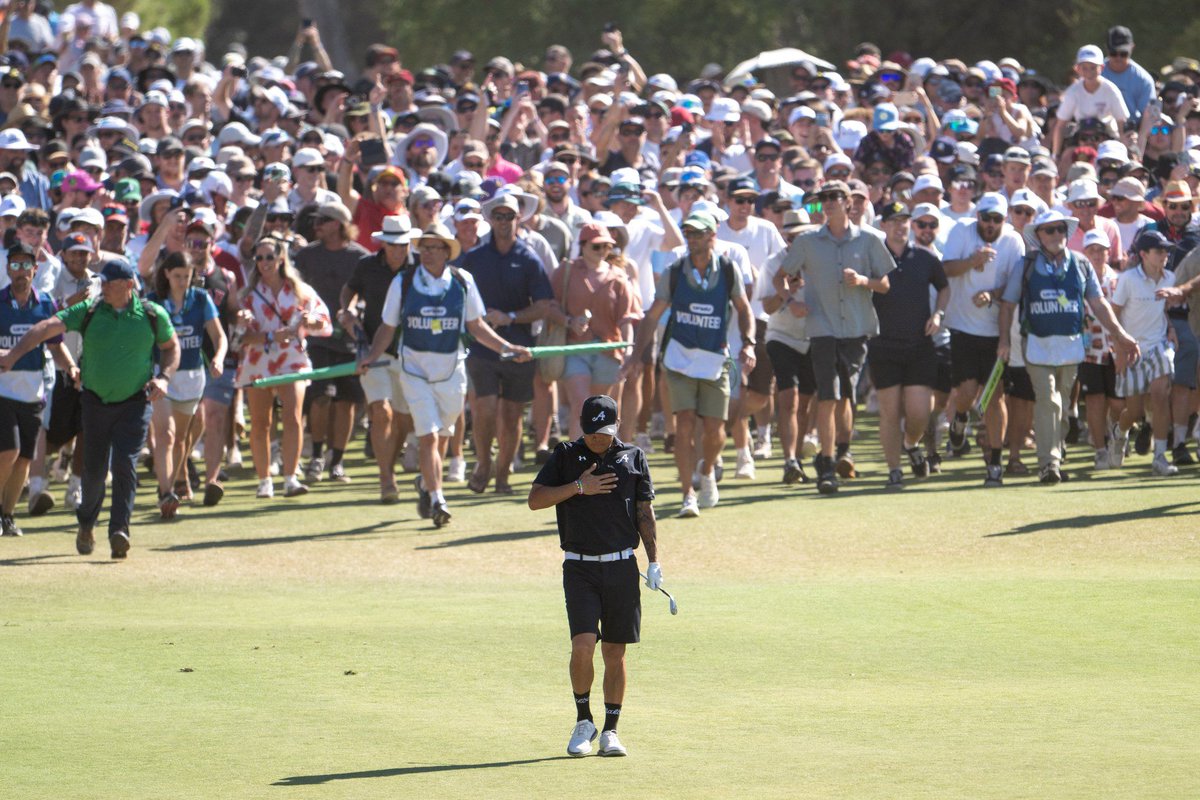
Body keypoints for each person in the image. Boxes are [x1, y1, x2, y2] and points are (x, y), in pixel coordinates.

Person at [0, 257, 179, 560]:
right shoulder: (90, 310)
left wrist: (164, 377)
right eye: (102, 282)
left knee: (124, 465)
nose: (102, 287)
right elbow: (45, 327)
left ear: (129, 285)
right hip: (95, 403)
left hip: (135, 403)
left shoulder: (151, 314)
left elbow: (171, 346)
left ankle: (119, 531)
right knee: (94, 472)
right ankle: (86, 523)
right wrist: (13, 355)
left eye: (109, 282)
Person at [359, 223, 532, 526]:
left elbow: (476, 326)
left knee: (441, 436)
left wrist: (507, 348)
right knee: (427, 436)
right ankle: (438, 499)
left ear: (446, 252)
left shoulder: (463, 281)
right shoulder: (403, 281)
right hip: (414, 371)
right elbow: (388, 326)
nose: (427, 253)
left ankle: (427, 484)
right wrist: (371, 357)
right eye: (424, 247)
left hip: (451, 372)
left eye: (435, 247)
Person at [527, 394, 660, 759]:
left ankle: (611, 730)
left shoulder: (633, 457)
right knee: (583, 646)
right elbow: (535, 500)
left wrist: (654, 561)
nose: (597, 438)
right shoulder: (565, 455)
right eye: (591, 432)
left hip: (621, 566)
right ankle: (584, 721)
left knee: (615, 652)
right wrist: (578, 487)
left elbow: (645, 512)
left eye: (604, 431)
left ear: (617, 426)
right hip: (580, 567)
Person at [622, 211, 755, 516]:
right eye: (688, 233)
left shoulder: (728, 269)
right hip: (679, 357)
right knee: (683, 424)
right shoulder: (674, 271)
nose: (691, 238)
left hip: (714, 358)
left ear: (712, 236)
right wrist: (635, 356)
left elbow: (744, 308)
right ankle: (688, 494)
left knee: (715, 429)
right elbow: (652, 316)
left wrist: (749, 343)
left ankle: (706, 471)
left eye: (698, 233)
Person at [998, 210, 1138, 483]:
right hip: (1036, 342)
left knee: (1061, 403)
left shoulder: (1081, 263)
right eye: (1049, 230)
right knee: (1047, 399)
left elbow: (1098, 303)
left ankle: (1057, 451)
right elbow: (1008, 304)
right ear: (1039, 235)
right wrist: (1004, 340)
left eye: (1060, 229)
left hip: (1071, 344)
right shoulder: (1026, 264)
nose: (1056, 235)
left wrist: (1120, 335)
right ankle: (1048, 463)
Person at [777, 180, 894, 494]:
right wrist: (790, 301)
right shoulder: (807, 241)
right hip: (822, 329)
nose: (828, 202)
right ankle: (826, 464)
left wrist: (863, 281)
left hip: (856, 328)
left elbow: (884, 284)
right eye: (823, 198)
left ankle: (844, 450)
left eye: (834, 197)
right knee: (828, 396)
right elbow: (780, 277)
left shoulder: (869, 239)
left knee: (847, 397)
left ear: (848, 202)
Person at [460, 193, 553, 495]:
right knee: (484, 409)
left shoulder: (528, 258)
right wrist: (477, 317)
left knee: (512, 415)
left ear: (518, 218)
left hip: (519, 348)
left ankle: (502, 476)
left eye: (509, 216)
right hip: (482, 347)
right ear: (490, 219)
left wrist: (510, 317)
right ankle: (483, 463)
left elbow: (544, 305)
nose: (503, 222)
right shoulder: (474, 258)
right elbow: (457, 293)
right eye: (498, 216)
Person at [236, 234, 333, 499]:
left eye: (269, 256)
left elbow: (325, 323)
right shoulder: (249, 295)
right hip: (258, 360)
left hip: (292, 358)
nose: (264, 262)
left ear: (281, 258)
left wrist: (309, 322)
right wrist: (267, 335)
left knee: (293, 416)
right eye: (259, 258)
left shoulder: (299, 290)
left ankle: (290, 477)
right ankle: (264, 479)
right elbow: (239, 338)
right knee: (261, 423)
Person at [941, 193, 1025, 487]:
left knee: (995, 396)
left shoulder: (1013, 241)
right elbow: (945, 269)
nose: (990, 224)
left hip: (996, 330)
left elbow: (1016, 285)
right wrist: (972, 261)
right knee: (966, 393)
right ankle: (960, 417)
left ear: (1004, 219)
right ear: (977, 216)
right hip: (962, 327)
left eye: (996, 219)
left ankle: (995, 462)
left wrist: (993, 295)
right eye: (985, 217)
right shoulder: (961, 231)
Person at [871, 202, 949, 489]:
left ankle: (911, 444)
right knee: (890, 412)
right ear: (883, 225)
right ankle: (895, 470)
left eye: (904, 220)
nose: (899, 226)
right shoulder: (873, 256)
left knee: (919, 413)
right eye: (893, 221)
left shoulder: (925, 257)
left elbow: (944, 287)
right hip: (883, 345)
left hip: (919, 346)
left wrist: (938, 314)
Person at [339, 215, 416, 503]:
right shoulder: (366, 265)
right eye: (393, 244)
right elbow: (349, 289)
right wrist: (347, 310)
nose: (398, 250)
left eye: (403, 244)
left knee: (404, 419)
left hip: (411, 353)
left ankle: (389, 465)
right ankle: (386, 478)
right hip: (374, 348)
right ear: (383, 243)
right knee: (381, 411)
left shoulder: (421, 266)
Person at [145, 251, 226, 519]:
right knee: (165, 435)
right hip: (162, 376)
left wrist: (218, 357)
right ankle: (166, 491)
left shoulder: (200, 299)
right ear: (167, 274)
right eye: (177, 276)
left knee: (181, 439)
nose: (182, 281)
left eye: (187, 276)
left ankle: (174, 486)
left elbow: (219, 336)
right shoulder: (153, 302)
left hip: (192, 377)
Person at [0, 244, 73, 537]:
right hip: (3, 390)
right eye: (15, 265)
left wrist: (72, 368)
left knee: (25, 460)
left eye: (25, 265)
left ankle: (8, 516)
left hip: (33, 393)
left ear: (35, 269)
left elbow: (55, 346)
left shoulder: (46, 305)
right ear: (8, 269)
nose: (20, 271)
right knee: (9, 451)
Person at [294, 201, 369, 484]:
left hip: (350, 339)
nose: (316, 226)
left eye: (322, 221)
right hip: (317, 339)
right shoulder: (306, 256)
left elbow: (368, 294)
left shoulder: (360, 258)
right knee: (321, 397)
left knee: (347, 402)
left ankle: (336, 461)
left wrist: (355, 312)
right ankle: (316, 456)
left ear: (337, 224)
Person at [548, 223, 638, 438]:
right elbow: (550, 306)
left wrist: (628, 350)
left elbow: (627, 318)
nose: (602, 251)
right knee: (581, 405)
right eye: (596, 246)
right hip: (574, 348)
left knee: (600, 410)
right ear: (583, 245)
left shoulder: (618, 276)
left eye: (607, 246)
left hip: (608, 349)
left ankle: (599, 456)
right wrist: (569, 321)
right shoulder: (566, 271)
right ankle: (578, 457)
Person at [1109, 231, 1178, 476]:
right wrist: (1119, 349)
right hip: (1131, 350)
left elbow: (1163, 309)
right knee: (1135, 412)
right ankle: (1120, 432)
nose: (1165, 255)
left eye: (1166, 251)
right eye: (1159, 251)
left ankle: (1159, 456)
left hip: (1159, 346)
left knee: (1160, 395)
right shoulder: (1128, 279)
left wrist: (1171, 327)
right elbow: (1114, 314)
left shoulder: (1170, 277)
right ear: (1143, 254)